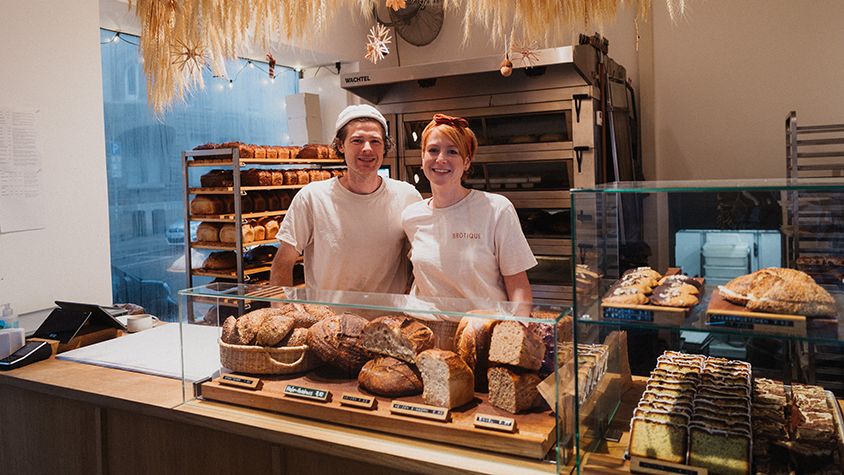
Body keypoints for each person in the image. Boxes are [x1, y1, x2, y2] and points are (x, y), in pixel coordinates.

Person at [270, 104, 422, 293]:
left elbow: (424, 258)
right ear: (340, 145)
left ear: (385, 147)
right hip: (328, 320)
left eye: (375, 141)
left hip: (385, 321)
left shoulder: (407, 196)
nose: (367, 148)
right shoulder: (312, 198)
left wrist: (410, 293)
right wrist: (282, 312)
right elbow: (283, 262)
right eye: (357, 140)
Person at [401, 114, 536, 309]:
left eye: (452, 152)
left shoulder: (496, 209)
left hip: (483, 329)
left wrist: (516, 332)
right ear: (422, 158)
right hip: (426, 331)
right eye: (433, 150)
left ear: (466, 162)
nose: (441, 159)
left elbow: (519, 290)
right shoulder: (411, 216)